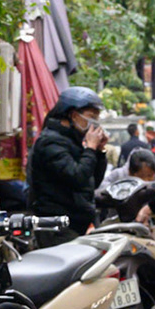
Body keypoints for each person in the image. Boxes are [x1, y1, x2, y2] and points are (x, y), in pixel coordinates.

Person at [28, 86, 108, 244]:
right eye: (91, 117)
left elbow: (90, 182)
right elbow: (76, 176)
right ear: (73, 115)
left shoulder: (72, 142)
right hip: (57, 227)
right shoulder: (50, 142)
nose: (94, 123)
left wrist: (99, 152)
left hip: (74, 225)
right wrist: (91, 149)